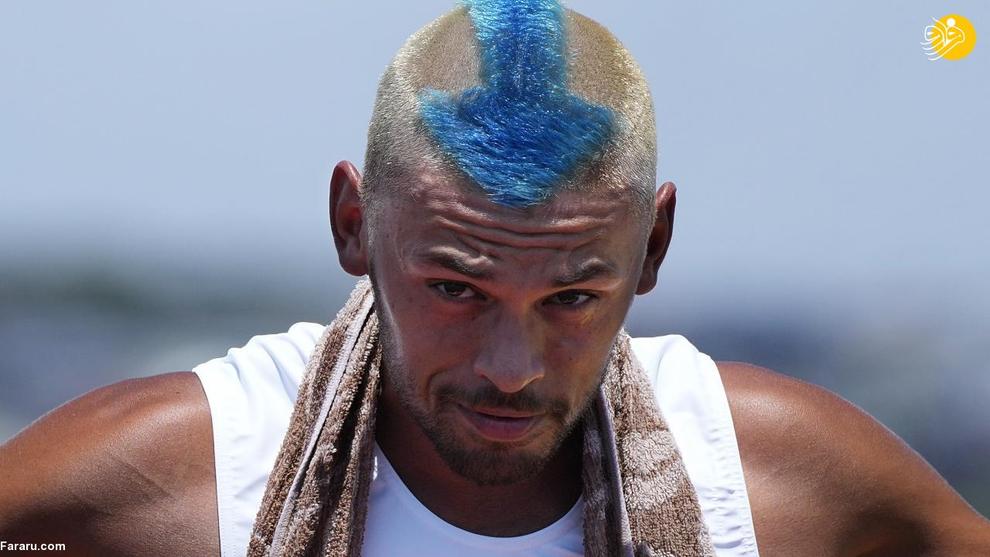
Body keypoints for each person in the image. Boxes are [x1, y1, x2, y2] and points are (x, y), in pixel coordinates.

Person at [1, 1, 988, 555]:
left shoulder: (769, 482)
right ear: (353, 225)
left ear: (653, 246)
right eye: (457, 289)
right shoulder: (180, 478)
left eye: (571, 298)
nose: (512, 367)